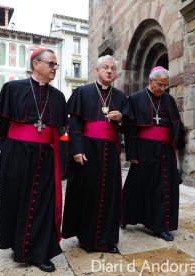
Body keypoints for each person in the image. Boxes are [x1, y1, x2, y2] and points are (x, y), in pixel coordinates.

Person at [0, 48, 66, 273]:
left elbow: (62, 131)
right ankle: (18, 245)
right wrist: (8, 152)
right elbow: (1, 124)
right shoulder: (12, 88)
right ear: (36, 64)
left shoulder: (58, 96)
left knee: (43, 203)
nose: (55, 68)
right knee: (15, 200)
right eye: (51, 64)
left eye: (56, 65)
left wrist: (62, 160)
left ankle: (39, 252)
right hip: (17, 154)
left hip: (45, 156)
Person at [62, 55, 128, 254]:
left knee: (110, 195)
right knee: (88, 193)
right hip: (87, 150)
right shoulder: (83, 92)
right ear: (97, 70)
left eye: (113, 69)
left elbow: (128, 127)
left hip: (111, 152)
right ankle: (87, 238)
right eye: (106, 68)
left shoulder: (120, 97)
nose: (109, 71)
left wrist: (121, 118)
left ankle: (107, 239)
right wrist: (77, 149)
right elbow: (74, 123)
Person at [121, 66, 185, 241]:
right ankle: (124, 216)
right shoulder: (135, 98)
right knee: (137, 186)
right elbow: (129, 128)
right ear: (150, 81)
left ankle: (160, 226)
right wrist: (132, 153)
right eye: (160, 85)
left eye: (166, 86)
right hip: (143, 149)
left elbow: (176, 125)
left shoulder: (168, 100)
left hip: (164, 150)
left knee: (164, 187)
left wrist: (175, 149)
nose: (163, 89)